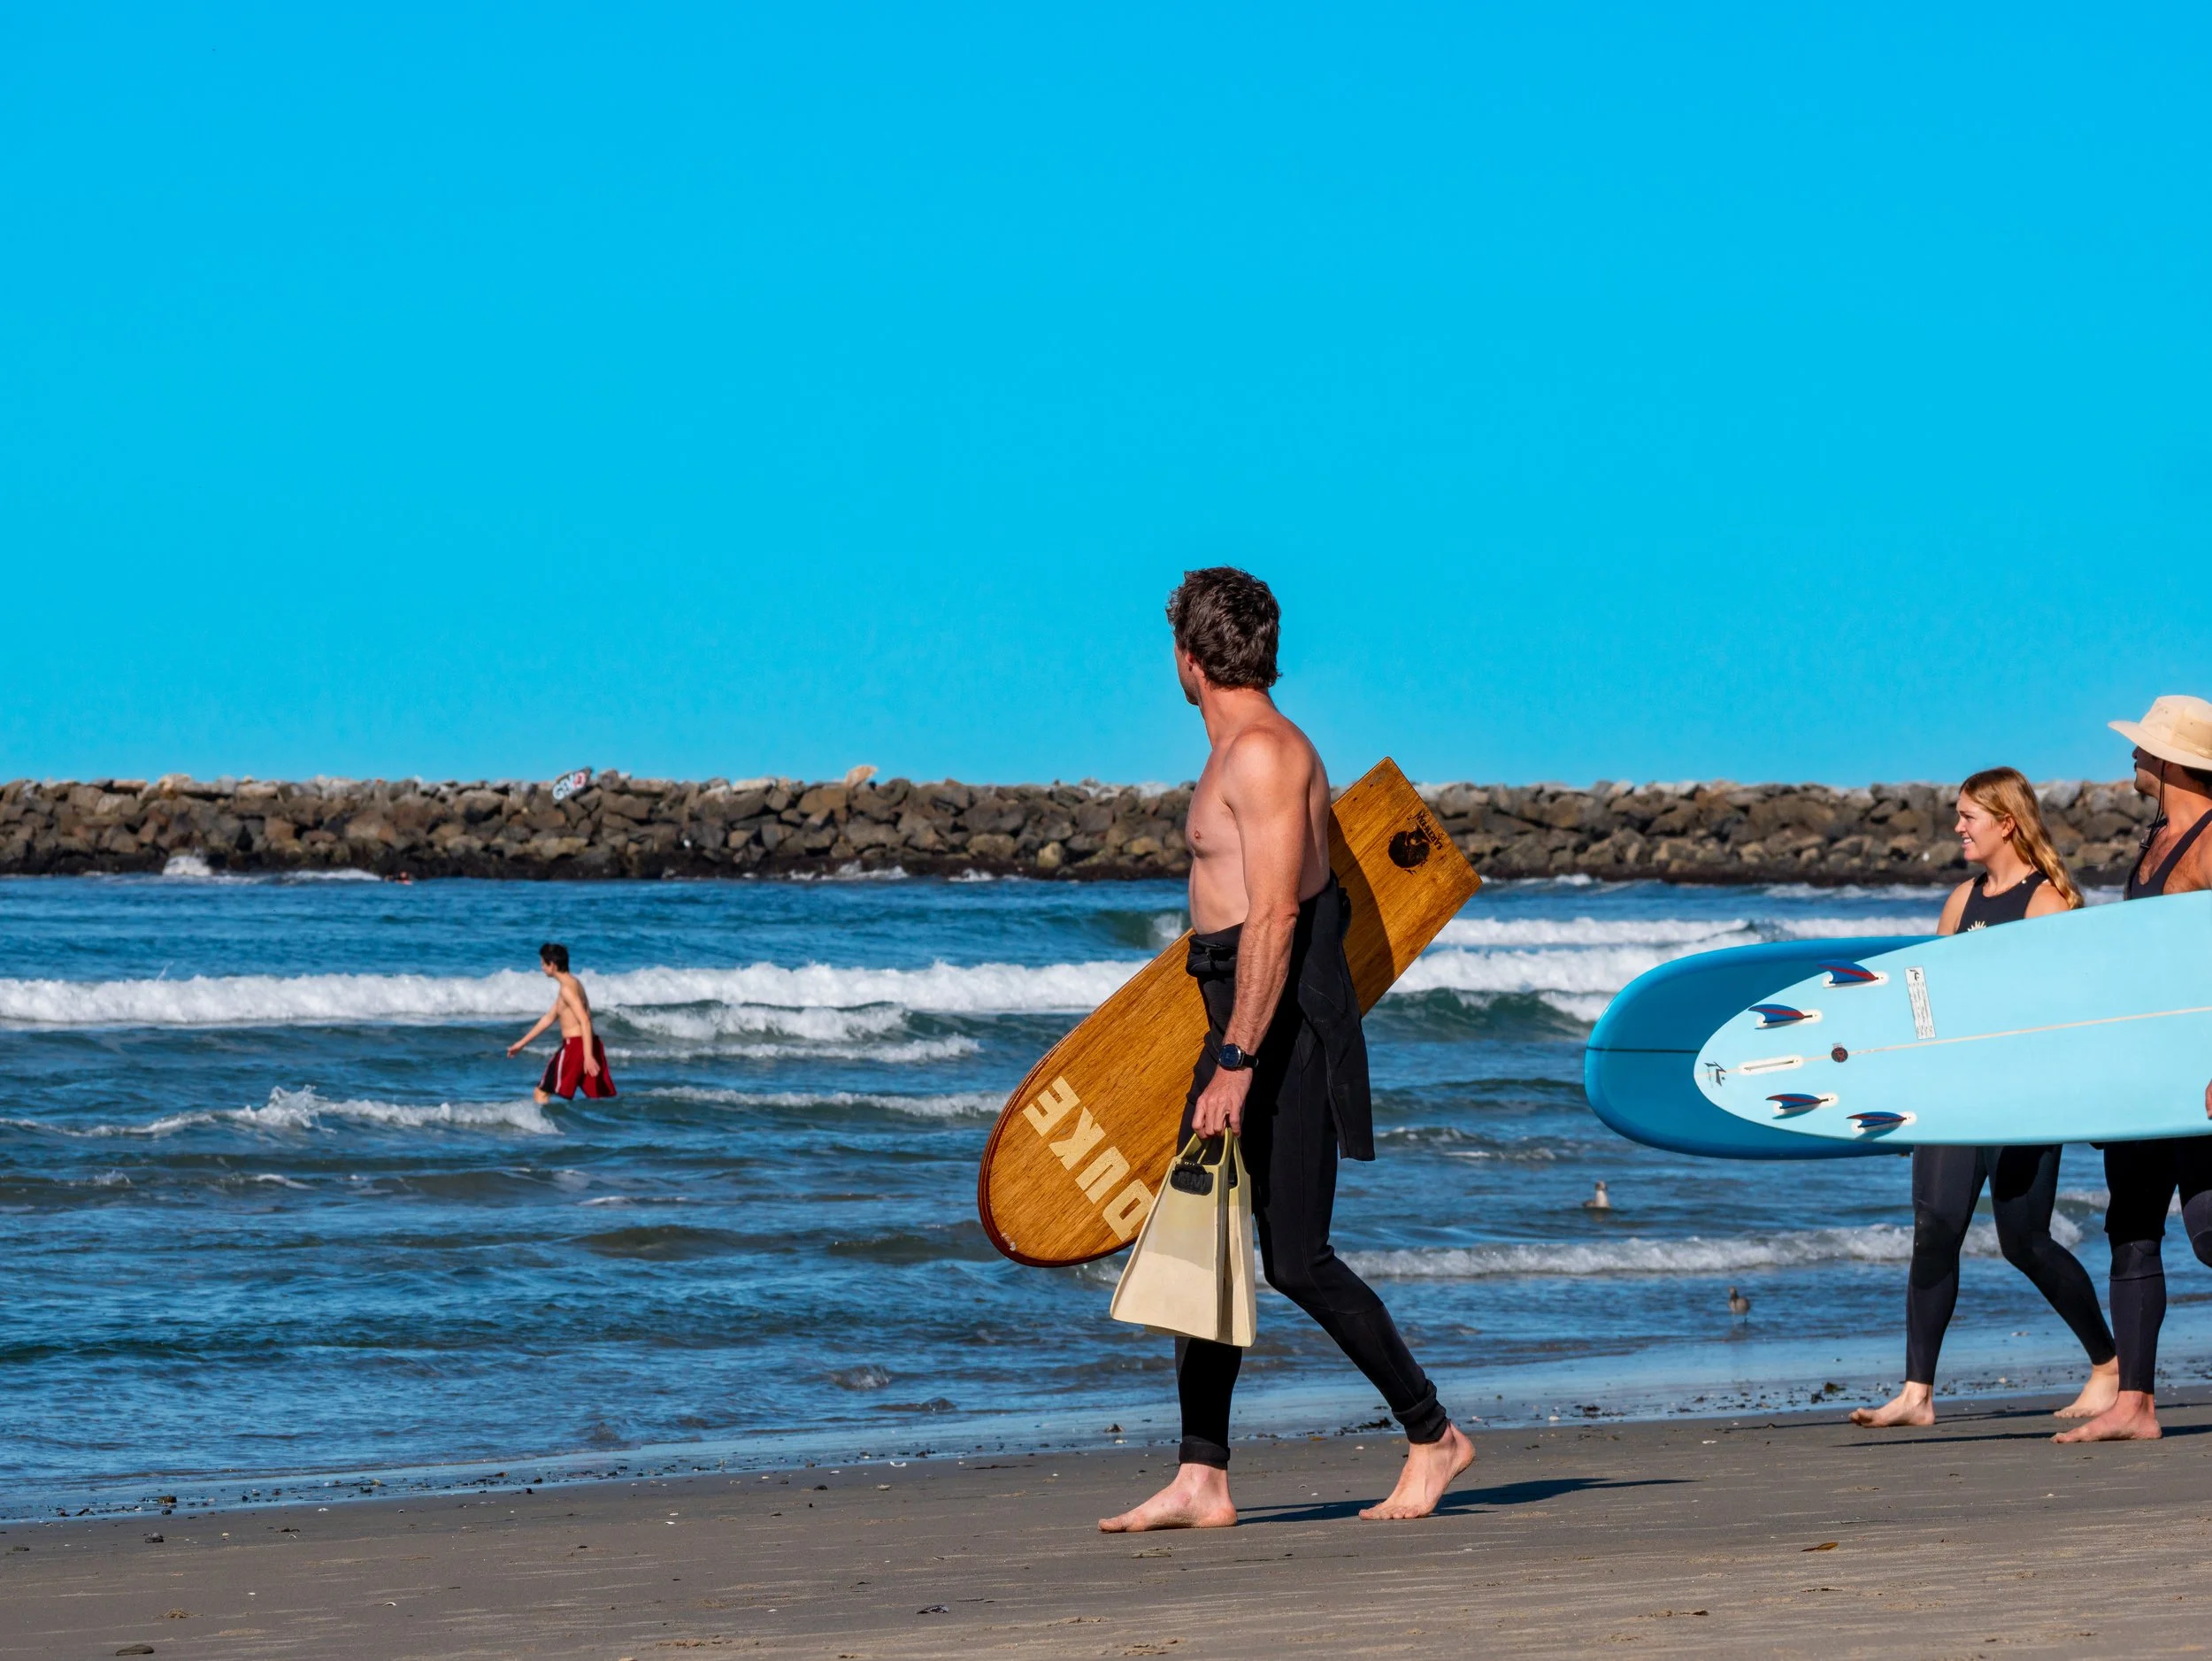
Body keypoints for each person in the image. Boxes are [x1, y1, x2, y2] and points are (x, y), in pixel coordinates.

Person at [1099, 568, 1472, 1534]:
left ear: (1188, 657)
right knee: (1202, 1237)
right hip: (1241, 1008)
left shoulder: (1261, 754)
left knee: (1296, 1258)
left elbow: (1272, 914)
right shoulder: (1245, 750)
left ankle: (1433, 1433)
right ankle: (1201, 1474)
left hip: (1273, 1023)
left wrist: (1235, 1057)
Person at [1849, 767, 2117, 1428]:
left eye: (1970, 815)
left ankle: (2109, 1367)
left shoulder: (2048, 902)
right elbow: (1927, 997)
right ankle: (1917, 1393)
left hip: (2020, 1099)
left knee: (2023, 1240)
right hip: (1955, 1092)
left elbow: (2059, 1010)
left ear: (2007, 821)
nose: (1959, 826)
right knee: (1933, 1230)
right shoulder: (1961, 898)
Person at [2056, 696, 2212, 1443]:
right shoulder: (2155, 833)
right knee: (2132, 1227)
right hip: (2145, 1067)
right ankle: (2137, 1403)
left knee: (2211, 1230)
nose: (2132, 755)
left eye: (2144, 746)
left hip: (2201, 1067)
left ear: (2174, 761)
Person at [508, 942, 616, 1104]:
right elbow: (549, 1017)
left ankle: (545, 1129)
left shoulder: (567, 989)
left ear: (552, 965)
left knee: (541, 1093)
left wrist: (587, 1056)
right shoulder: (573, 983)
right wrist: (521, 1044)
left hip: (576, 1047)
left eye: (543, 964)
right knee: (598, 1099)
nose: (542, 968)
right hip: (587, 1043)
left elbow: (585, 1021)